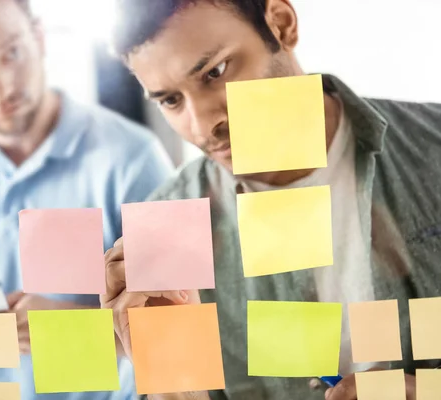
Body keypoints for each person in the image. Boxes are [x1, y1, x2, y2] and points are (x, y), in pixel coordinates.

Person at [101, 1, 441, 399]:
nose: (202, 125)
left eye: (216, 72)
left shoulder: (432, 148)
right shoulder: (165, 227)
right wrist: (170, 382)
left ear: (280, 24)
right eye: (171, 100)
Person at [0, 0, 174, 399]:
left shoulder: (135, 157)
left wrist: (70, 332)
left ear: (39, 38)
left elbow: (179, 337)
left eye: (11, 52)